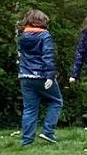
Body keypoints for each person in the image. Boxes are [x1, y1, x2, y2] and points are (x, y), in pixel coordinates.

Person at [17, 9, 63, 145]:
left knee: (30, 108)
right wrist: (50, 76)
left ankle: (26, 141)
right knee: (56, 101)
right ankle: (48, 131)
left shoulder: (22, 36)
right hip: (42, 75)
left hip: (25, 76)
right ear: (41, 21)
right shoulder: (45, 36)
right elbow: (47, 56)